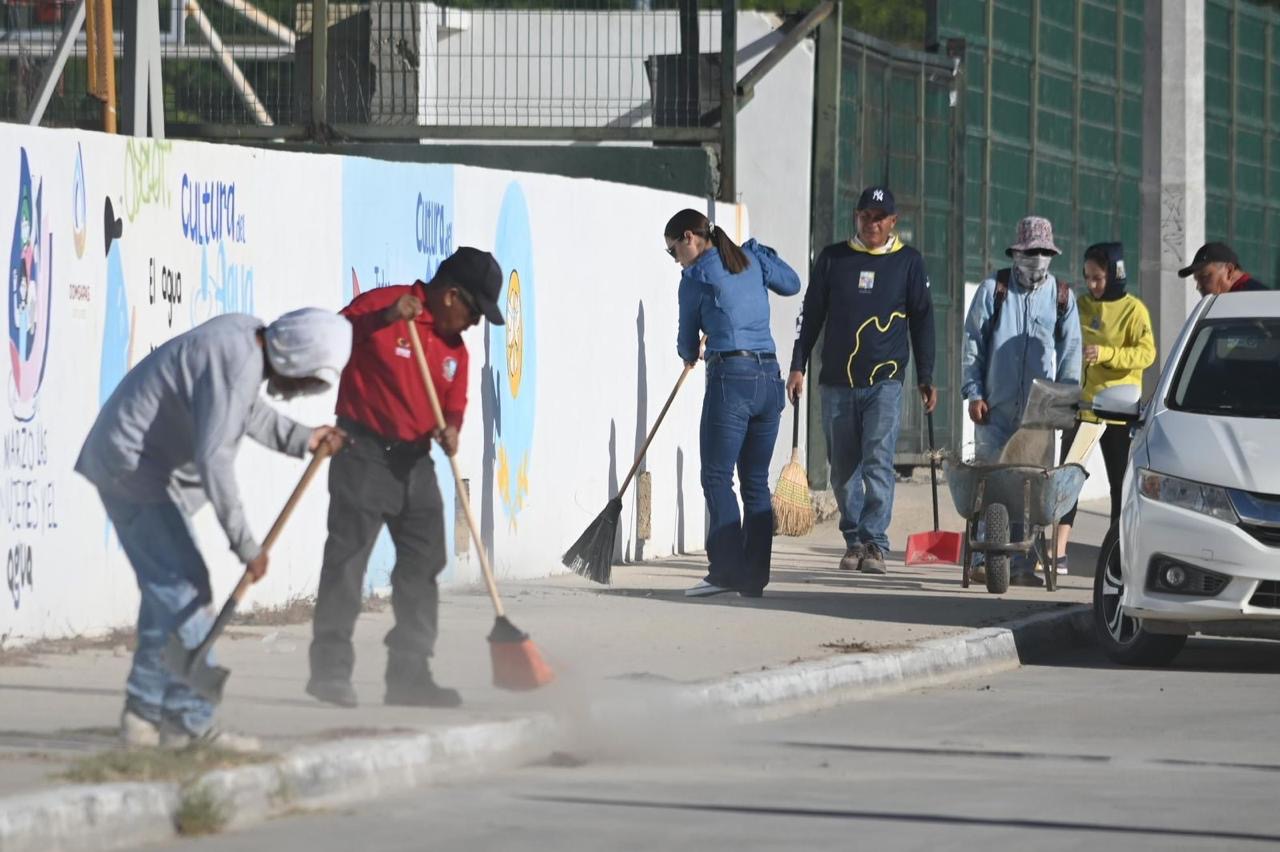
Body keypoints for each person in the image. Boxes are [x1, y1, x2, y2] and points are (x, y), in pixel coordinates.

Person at [75, 308, 353, 749]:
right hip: (130, 470)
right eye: (305, 381)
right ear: (295, 356)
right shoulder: (237, 360)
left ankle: (143, 715)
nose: (299, 392)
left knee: (169, 594)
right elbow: (215, 460)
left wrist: (304, 439)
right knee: (184, 592)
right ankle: (191, 722)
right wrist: (246, 545)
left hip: (140, 470)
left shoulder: (242, 341)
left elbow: (243, 413)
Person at [307, 247, 504, 709]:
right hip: (362, 451)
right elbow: (327, 338)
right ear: (451, 295)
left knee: (424, 561)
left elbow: (454, 398)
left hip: (416, 462)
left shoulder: (454, 347)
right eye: (474, 311)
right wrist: (382, 320)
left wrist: (451, 427)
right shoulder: (387, 306)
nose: (474, 324)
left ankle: (409, 673)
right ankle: (330, 671)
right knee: (348, 561)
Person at [788, 186, 936, 575]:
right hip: (836, 380)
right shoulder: (833, 259)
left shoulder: (908, 262)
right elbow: (811, 314)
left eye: (879, 216)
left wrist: (926, 375)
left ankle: (874, 542)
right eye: (865, 215)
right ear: (856, 217)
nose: (871, 223)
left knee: (878, 461)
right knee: (842, 469)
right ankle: (853, 539)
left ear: (893, 221)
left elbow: (923, 321)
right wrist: (798, 363)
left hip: (885, 381)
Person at [666, 209, 800, 598]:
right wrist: (761, 251)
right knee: (755, 481)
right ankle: (753, 579)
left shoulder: (694, 278)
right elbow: (791, 284)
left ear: (690, 238)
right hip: (769, 378)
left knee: (717, 476)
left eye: (673, 250)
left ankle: (725, 572)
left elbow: (686, 341)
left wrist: (689, 353)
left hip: (732, 379)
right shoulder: (753, 260)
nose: (675, 259)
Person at [961, 215, 1081, 586]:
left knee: (1029, 489)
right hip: (995, 409)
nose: (1037, 259)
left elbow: (1072, 349)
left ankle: (1024, 563)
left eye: (1044, 252)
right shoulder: (993, 290)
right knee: (991, 482)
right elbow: (973, 344)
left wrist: (1064, 399)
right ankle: (983, 556)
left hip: (1038, 416)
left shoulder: (1062, 297)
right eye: (1030, 252)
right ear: (1016, 253)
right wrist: (974, 392)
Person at [1054, 242, 1154, 574]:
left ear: (1115, 274)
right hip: (1082, 409)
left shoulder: (1134, 310)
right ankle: (1057, 553)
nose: (1092, 285)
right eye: (1087, 278)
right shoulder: (1079, 305)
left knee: (1119, 484)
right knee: (1068, 480)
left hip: (1119, 411)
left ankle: (1116, 556)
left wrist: (1108, 355)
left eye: (1098, 277)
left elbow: (1146, 354)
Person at [1178, 242, 1268, 295]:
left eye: (1204, 277)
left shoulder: (1255, 300)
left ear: (1229, 271)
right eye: (1197, 280)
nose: (1198, 287)